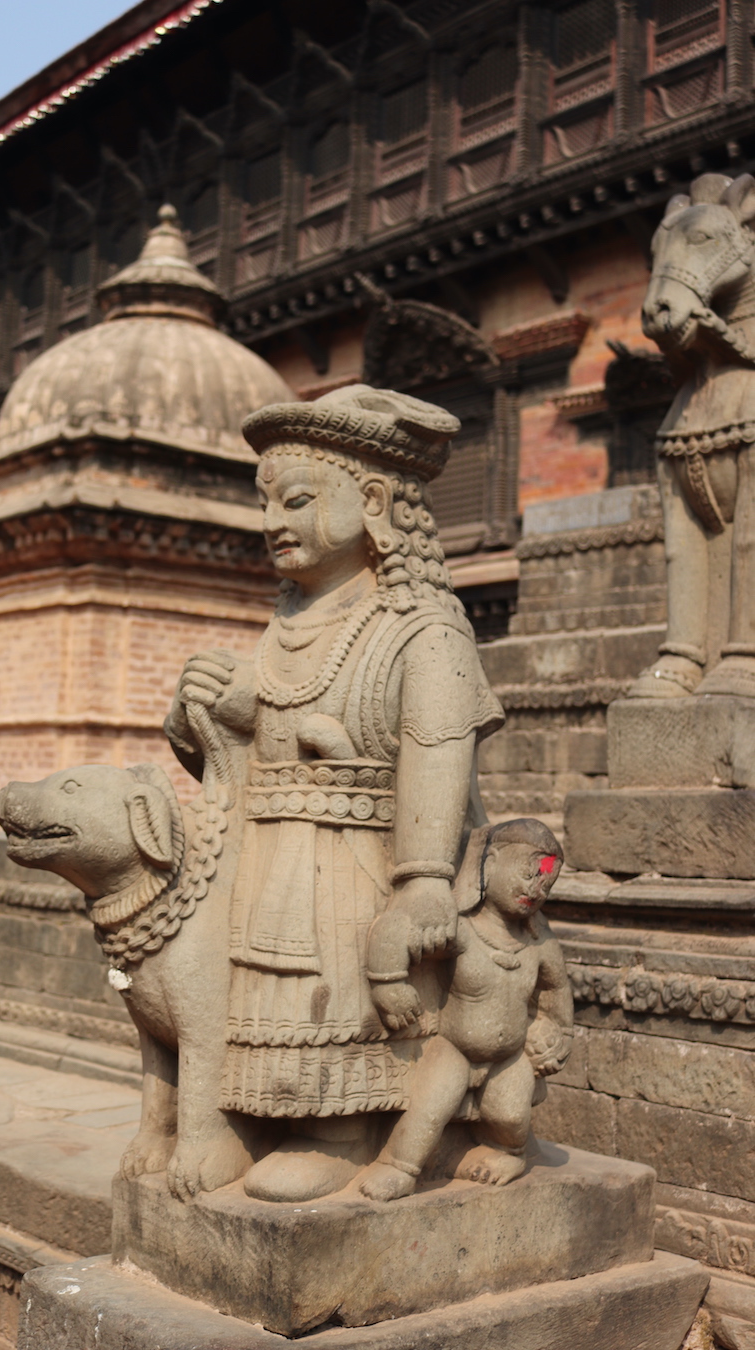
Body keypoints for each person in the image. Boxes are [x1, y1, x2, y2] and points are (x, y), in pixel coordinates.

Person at [164, 385, 504, 1202]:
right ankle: (268, 1113)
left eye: (298, 500)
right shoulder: (288, 621)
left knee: (334, 981)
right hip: (275, 851)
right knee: (264, 985)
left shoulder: (425, 627)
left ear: (376, 501)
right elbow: (262, 738)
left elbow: (435, 754)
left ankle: (342, 1129)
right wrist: (207, 716)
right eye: (266, 503)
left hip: (362, 864)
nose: (273, 520)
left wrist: (421, 879)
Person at [360, 818, 573, 1201]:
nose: (536, 890)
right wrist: (388, 984)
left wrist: (558, 1030)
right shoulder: (461, 930)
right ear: (489, 864)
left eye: (546, 883)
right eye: (528, 874)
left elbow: (556, 990)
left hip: (510, 1057)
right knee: (430, 1109)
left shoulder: (541, 945)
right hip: (455, 1048)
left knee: (511, 1116)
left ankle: (510, 1153)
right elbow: (395, 930)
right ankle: (398, 1167)